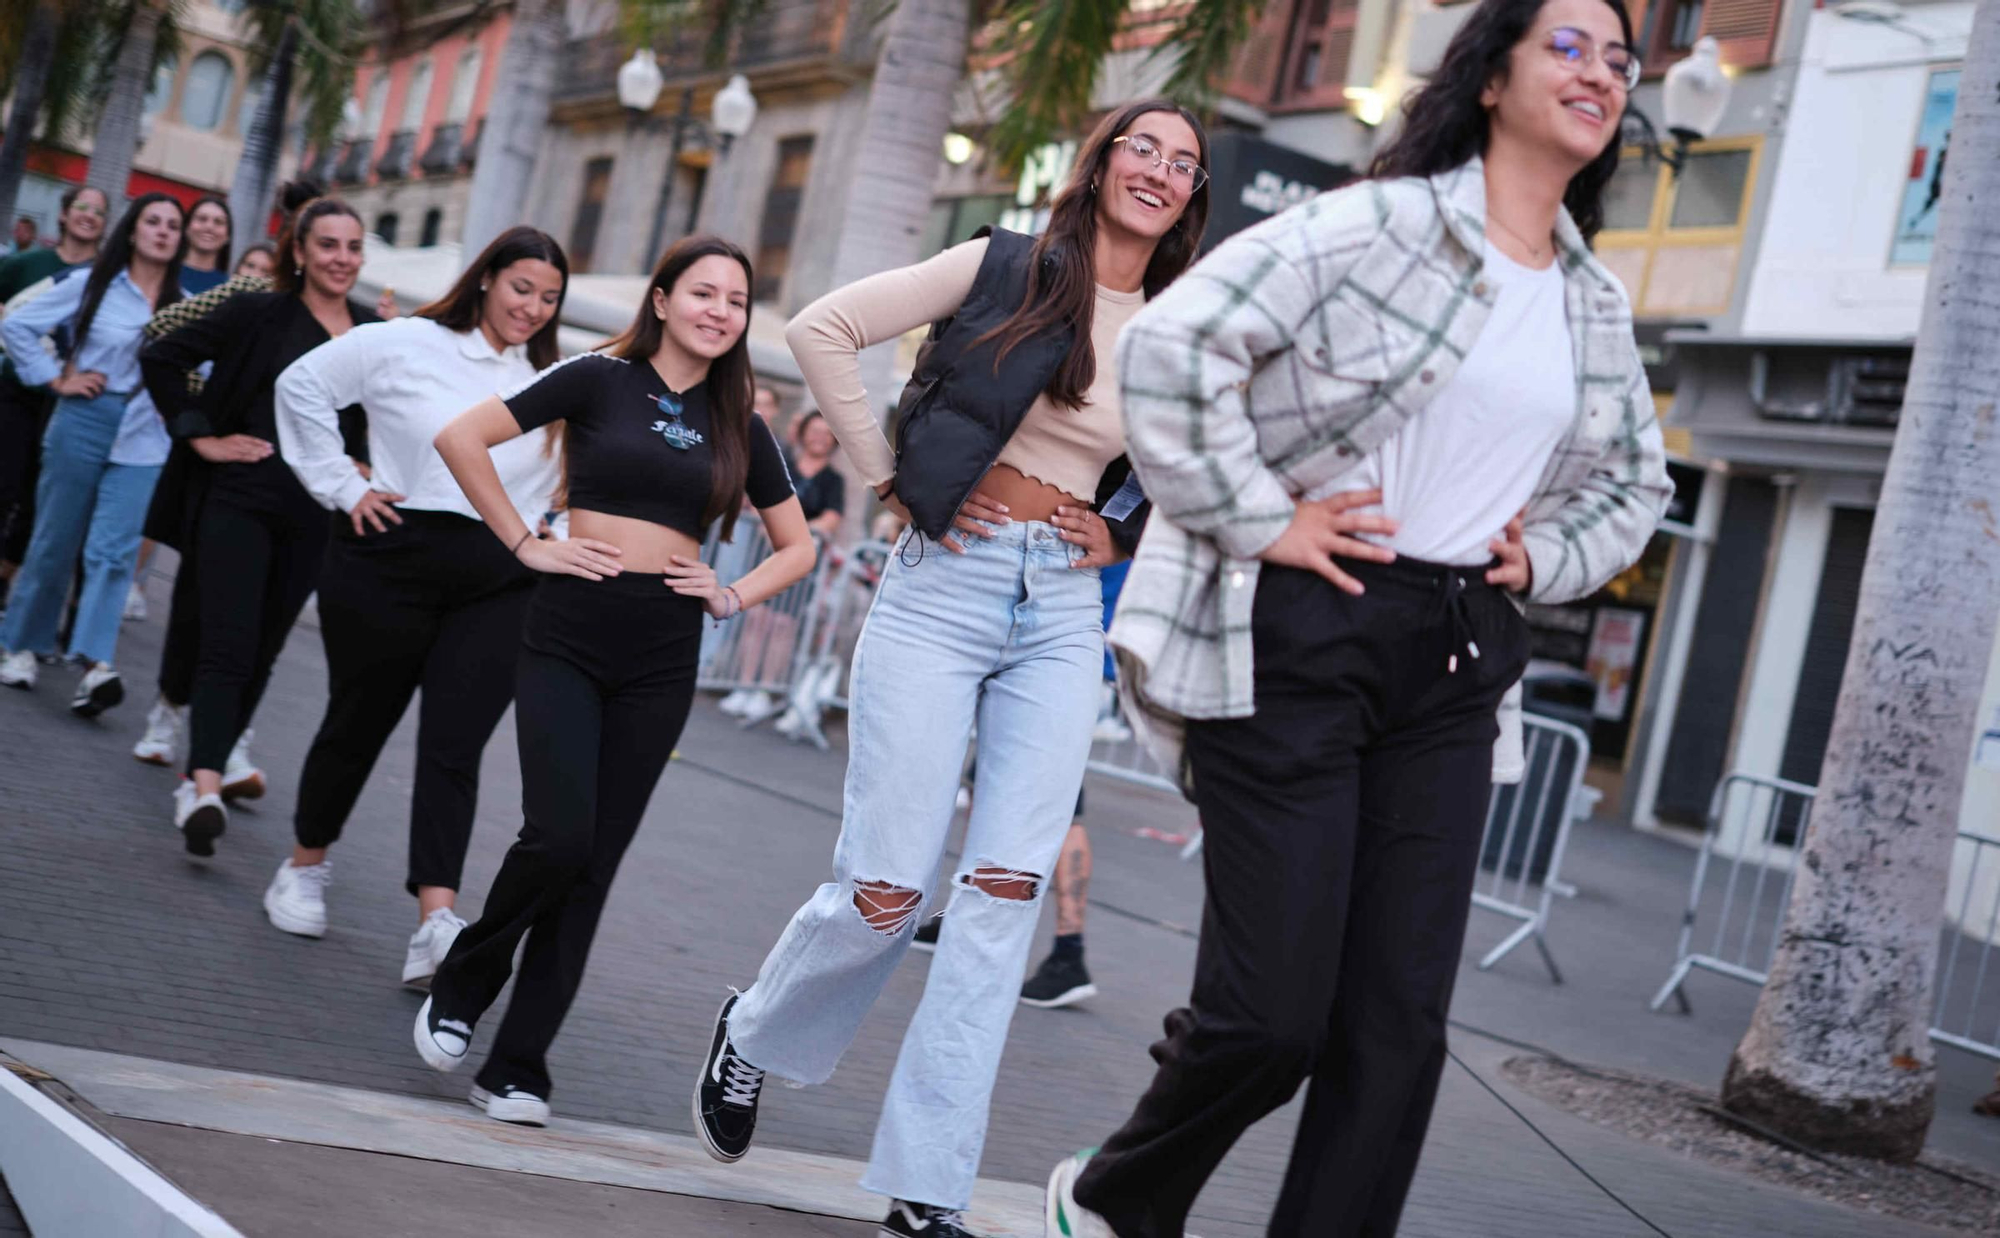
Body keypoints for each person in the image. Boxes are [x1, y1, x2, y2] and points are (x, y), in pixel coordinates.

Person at [1043, 3, 1673, 1235]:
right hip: (1301, 624)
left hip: (1458, 648)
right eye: (1569, 44)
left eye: (1618, 58)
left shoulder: (1591, 302)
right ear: (1490, 75)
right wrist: (1260, 515)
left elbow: (1636, 482)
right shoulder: (1375, 225)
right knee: (1273, 1013)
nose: (1599, 71)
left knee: (1395, 1027)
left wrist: (1544, 554)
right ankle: (1118, 1197)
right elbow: (1173, 346)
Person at [689, 100, 1209, 1238]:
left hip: (1062, 609)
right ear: (1104, 161)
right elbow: (825, 327)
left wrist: (1123, 531)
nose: (1159, 172)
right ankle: (754, 1028)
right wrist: (888, 477)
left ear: (1190, 196)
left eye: (1183, 163)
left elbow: (1209, 459)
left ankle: (927, 1187)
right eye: (1143, 149)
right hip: (943, 587)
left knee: (1000, 896)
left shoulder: (1184, 322)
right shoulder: (1008, 266)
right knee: (885, 890)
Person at [412, 235, 813, 1128]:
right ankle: (466, 977)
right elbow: (460, 437)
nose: (720, 311)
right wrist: (527, 543)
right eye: (703, 293)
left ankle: (518, 1065)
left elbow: (801, 547)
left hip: (662, 653)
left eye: (737, 301)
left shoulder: (741, 422)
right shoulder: (597, 377)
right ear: (662, 299)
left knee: (592, 867)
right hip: (567, 631)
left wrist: (730, 593)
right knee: (557, 836)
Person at [265, 227, 568, 990]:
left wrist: (550, 533)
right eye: (521, 287)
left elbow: (566, 486)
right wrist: (342, 485)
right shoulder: (406, 340)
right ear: (487, 278)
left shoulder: (553, 379)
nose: (532, 307)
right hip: (388, 560)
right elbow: (300, 386)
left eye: (549, 298)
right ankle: (303, 867)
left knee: (454, 746)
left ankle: (436, 921)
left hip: (499, 582)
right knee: (357, 721)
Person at [139, 197, 379, 855]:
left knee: (266, 649)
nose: (341, 259)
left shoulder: (370, 331)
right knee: (228, 644)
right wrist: (202, 436)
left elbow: (376, 418)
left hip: (317, 516)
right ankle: (206, 783)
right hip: (238, 499)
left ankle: (204, 772)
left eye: (352, 247)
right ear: (298, 252)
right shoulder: (257, 311)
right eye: (327, 245)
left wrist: (364, 460)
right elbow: (161, 354)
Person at [130, 185, 330, 781]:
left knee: (255, 628)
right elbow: (164, 331)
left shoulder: (349, 320)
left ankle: (228, 740)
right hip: (223, 480)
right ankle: (168, 711)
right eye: (314, 237)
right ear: (293, 241)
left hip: (293, 499)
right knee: (197, 604)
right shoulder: (250, 292)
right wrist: (207, 416)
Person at [0, 195, 186, 712]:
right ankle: (18, 644)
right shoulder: (93, 284)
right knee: (56, 539)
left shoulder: (184, 305)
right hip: (83, 417)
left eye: (173, 225)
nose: (163, 232)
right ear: (132, 231)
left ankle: (95, 663)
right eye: (153, 221)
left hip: (146, 436)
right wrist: (55, 379)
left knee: (113, 552)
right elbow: (15, 325)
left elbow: (201, 373)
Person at [0, 186, 109, 597]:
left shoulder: (104, 278)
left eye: (98, 211)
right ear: (63, 215)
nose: (89, 215)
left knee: (35, 503)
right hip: (13, 392)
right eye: (81, 206)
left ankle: (5, 582)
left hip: (66, 405)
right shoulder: (27, 264)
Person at [176, 196, 234, 295]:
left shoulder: (229, 289)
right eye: (202, 219)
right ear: (187, 227)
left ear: (227, 236)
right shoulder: (163, 273)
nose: (209, 227)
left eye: (218, 222)